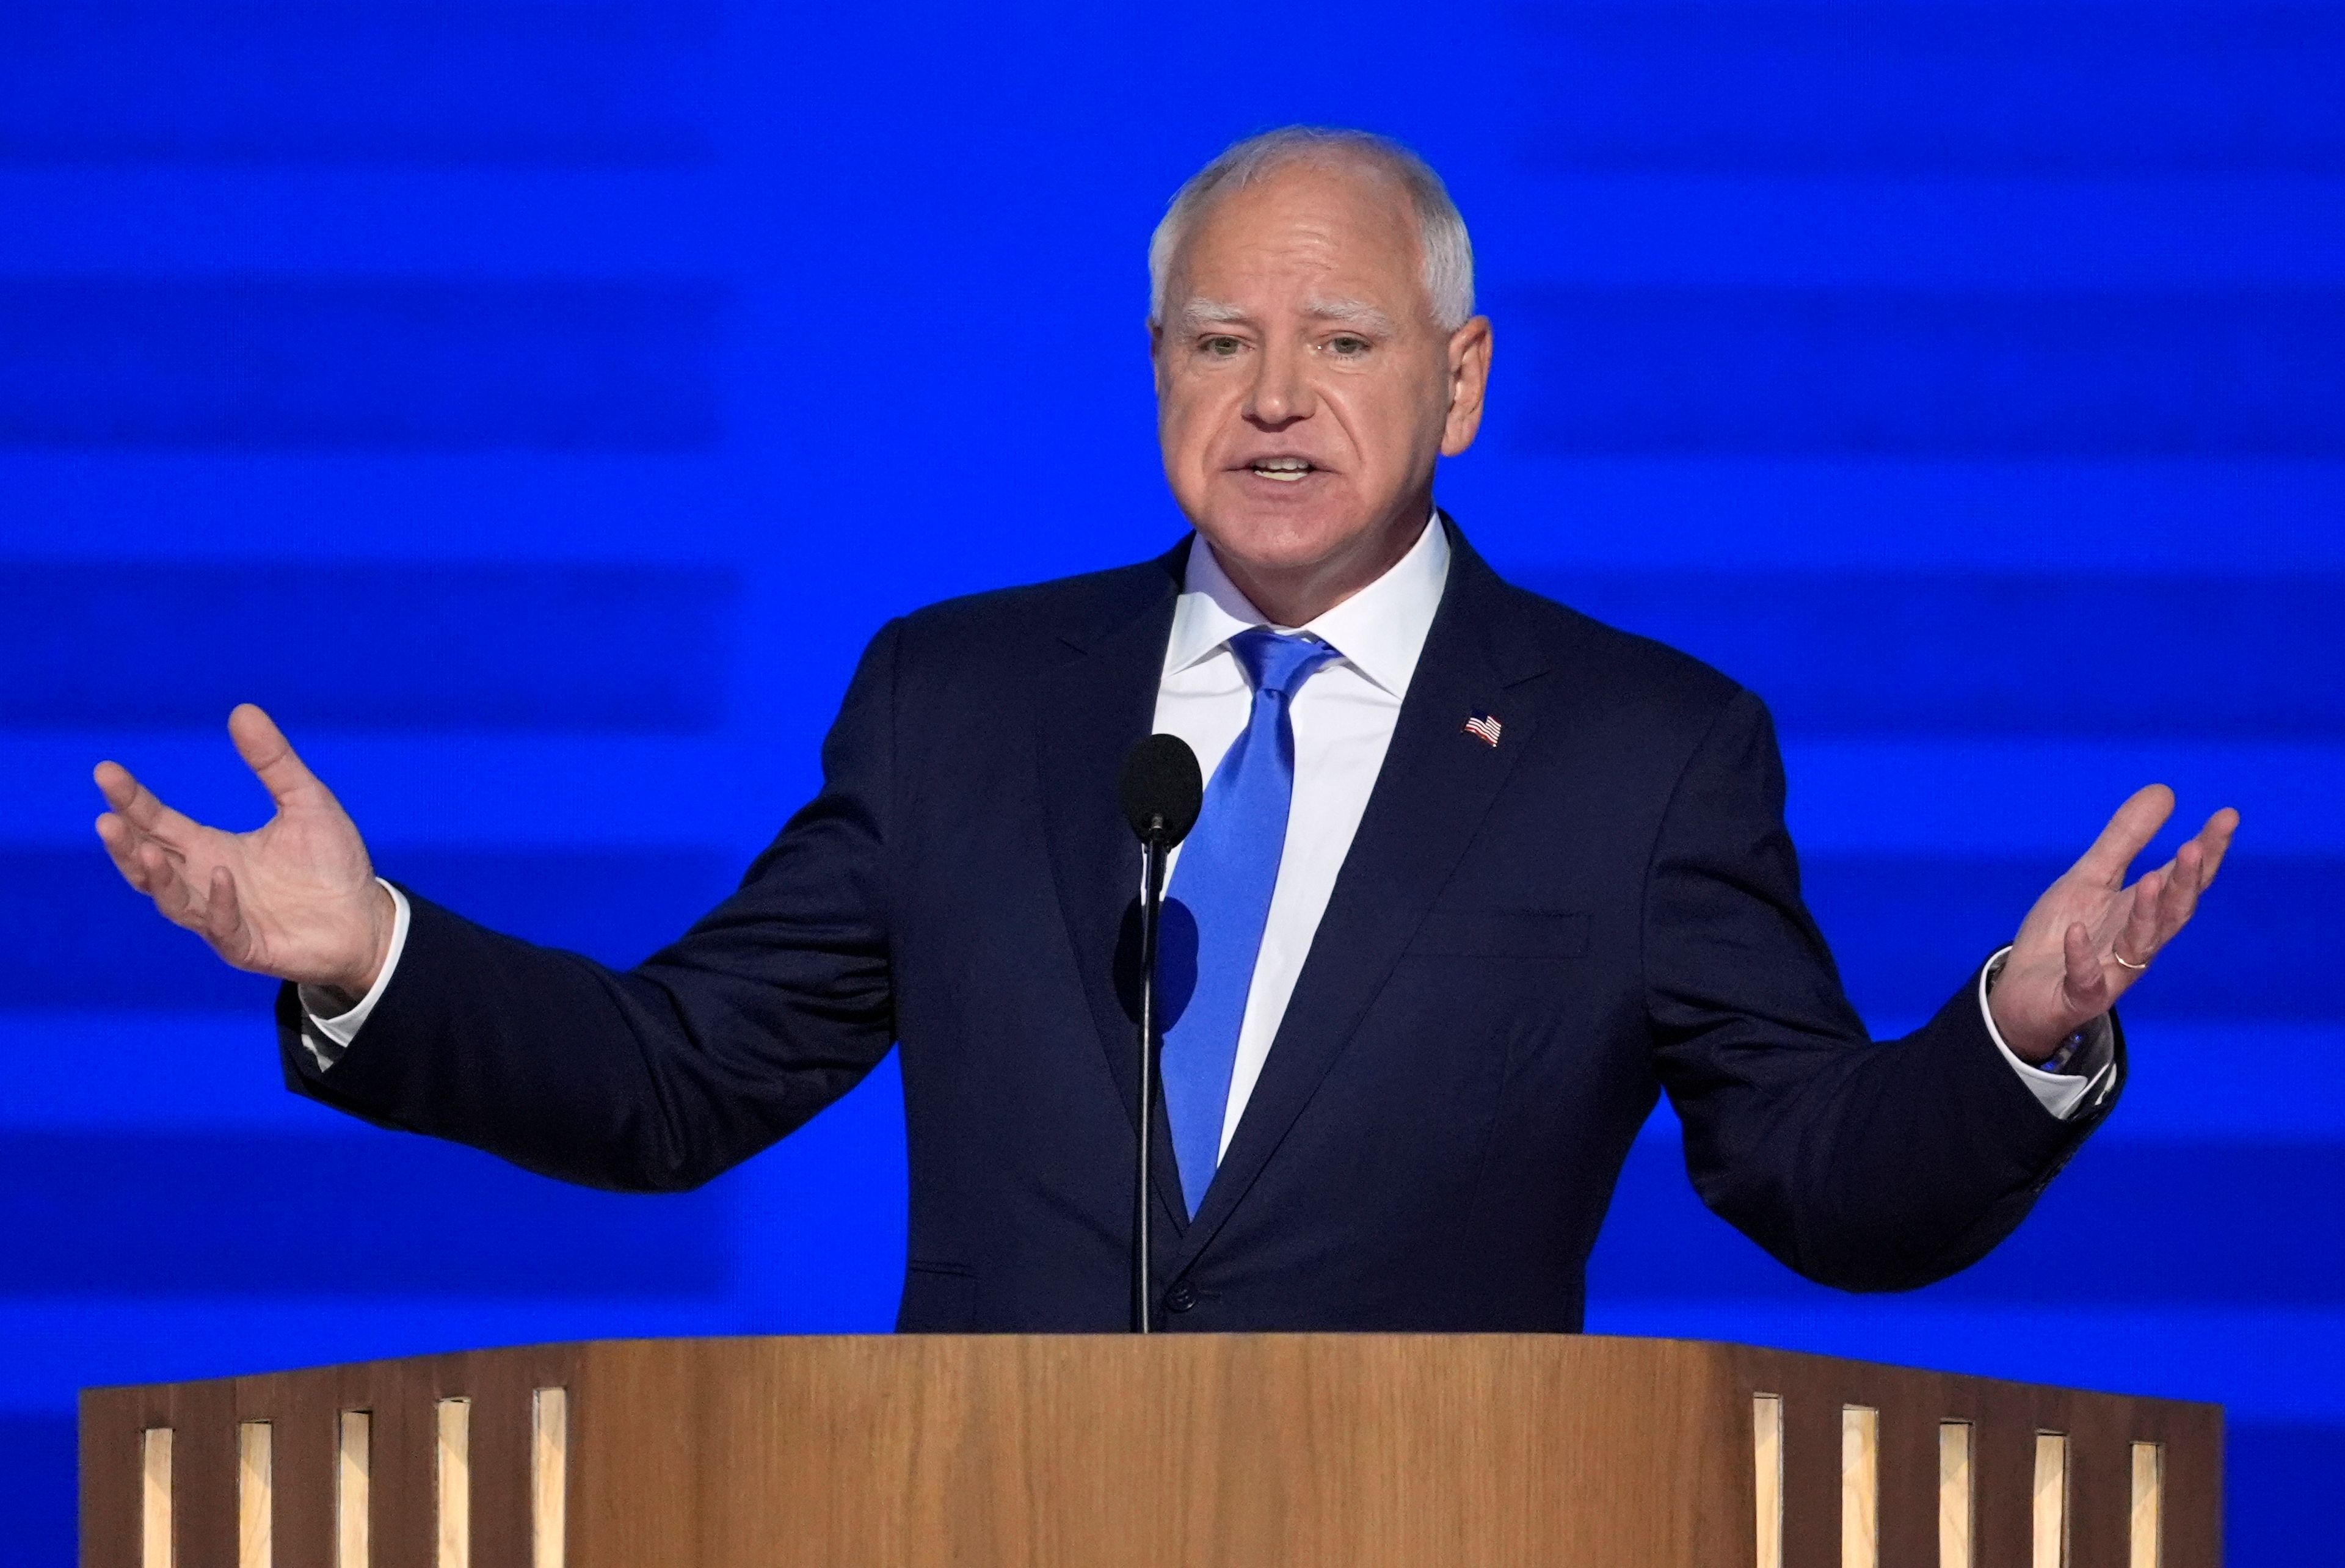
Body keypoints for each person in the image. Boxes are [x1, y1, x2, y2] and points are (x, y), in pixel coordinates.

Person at [92, 128, 2236, 1332]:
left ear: (1463, 384)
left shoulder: (1640, 748)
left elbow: (1821, 1178)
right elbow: (677, 1083)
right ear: (1154, 375)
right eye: (1219, 341)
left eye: (1339, 340)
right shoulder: (963, 699)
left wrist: (2016, 1034)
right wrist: (373, 949)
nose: (1275, 396)